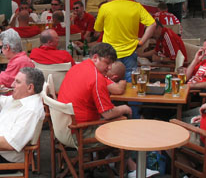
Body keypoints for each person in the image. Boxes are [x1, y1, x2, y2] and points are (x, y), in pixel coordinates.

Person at [58, 43, 158, 177]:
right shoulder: (96, 77)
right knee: (125, 127)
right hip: (80, 133)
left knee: (118, 122)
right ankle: (127, 169)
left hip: (62, 128)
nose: (110, 67)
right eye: (107, 63)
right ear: (95, 58)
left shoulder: (78, 67)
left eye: (111, 63)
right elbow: (107, 113)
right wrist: (123, 108)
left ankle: (124, 165)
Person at [94, 0, 156, 82]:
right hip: (130, 51)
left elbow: (97, 29)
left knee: (110, 81)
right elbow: (152, 24)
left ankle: (113, 98)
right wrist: (142, 42)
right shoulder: (136, 6)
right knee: (131, 81)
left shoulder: (105, 8)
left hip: (110, 52)